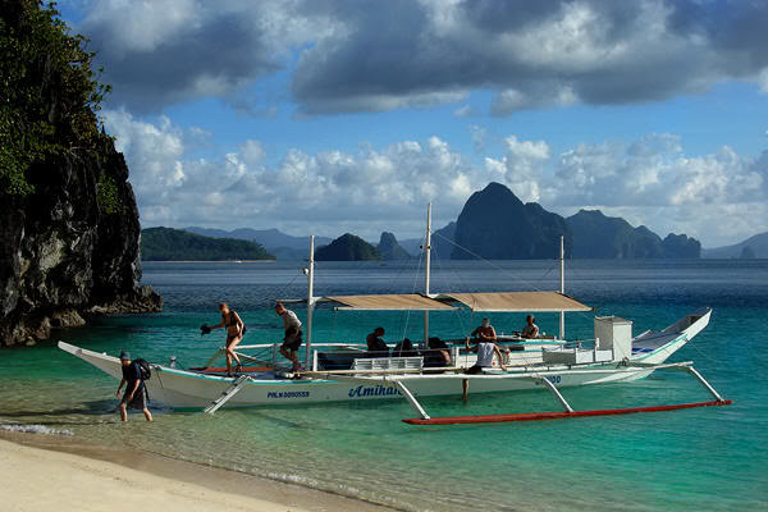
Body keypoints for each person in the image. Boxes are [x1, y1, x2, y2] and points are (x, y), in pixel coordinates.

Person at [209, 302, 246, 375]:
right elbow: (221, 325)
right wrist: (211, 328)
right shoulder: (223, 316)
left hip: (237, 335)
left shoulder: (233, 313)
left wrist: (240, 332)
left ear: (226, 308)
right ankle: (229, 373)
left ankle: (239, 363)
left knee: (229, 349)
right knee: (228, 355)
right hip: (229, 335)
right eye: (220, 310)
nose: (221, 311)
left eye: (222, 309)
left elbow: (241, 323)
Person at [116, 352, 152, 422]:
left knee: (144, 409)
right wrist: (119, 389)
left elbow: (138, 380)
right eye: (120, 359)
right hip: (129, 388)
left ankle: (150, 423)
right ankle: (124, 424)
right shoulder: (124, 366)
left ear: (126, 359)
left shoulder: (134, 366)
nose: (121, 361)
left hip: (139, 389)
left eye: (122, 360)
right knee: (122, 406)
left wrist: (132, 393)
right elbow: (124, 378)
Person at [276, 302, 303, 370]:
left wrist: (293, 336)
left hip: (294, 335)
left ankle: (296, 365)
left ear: (281, 309)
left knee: (284, 350)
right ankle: (296, 365)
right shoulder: (284, 315)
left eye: (277, 311)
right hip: (290, 335)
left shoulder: (289, 314)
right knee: (290, 352)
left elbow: (298, 324)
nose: (277, 313)